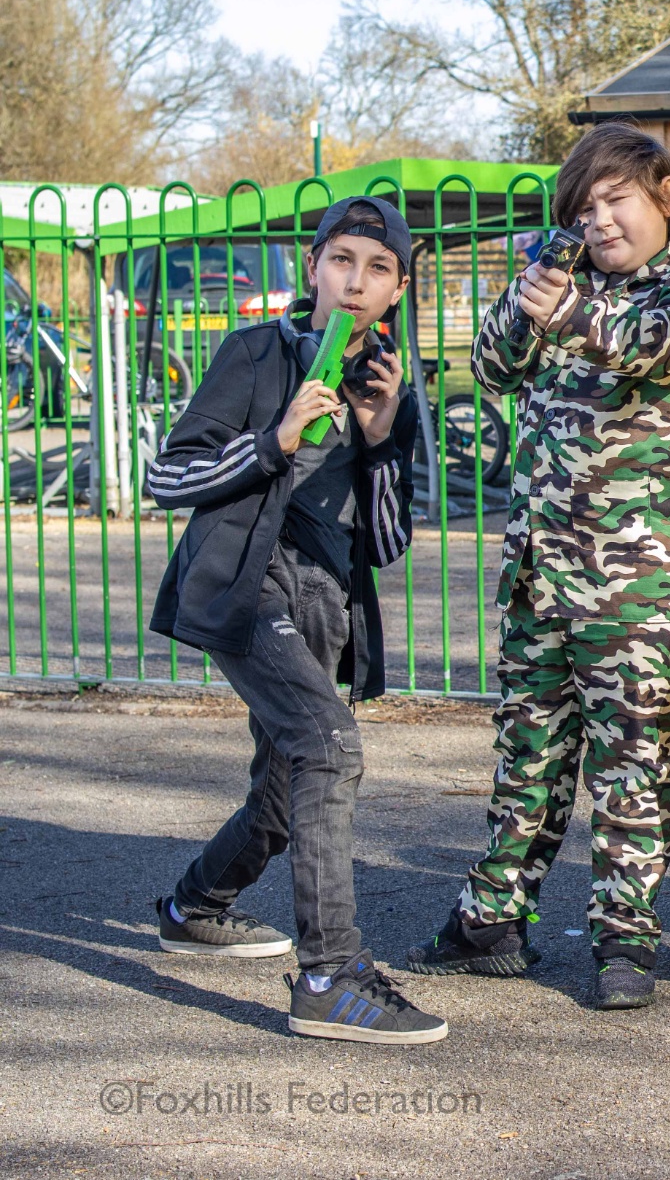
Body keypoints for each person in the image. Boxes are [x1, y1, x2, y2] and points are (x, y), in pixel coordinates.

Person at [406, 123, 670, 1013]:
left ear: (664, 194)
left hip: (637, 582)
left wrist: (568, 311)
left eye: (615, 198)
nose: (599, 221)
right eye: (584, 209)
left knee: (630, 759)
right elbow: (491, 366)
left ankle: (625, 938)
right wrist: (527, 299)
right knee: (529, 752)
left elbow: (657, 346)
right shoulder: (561, 285)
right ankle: (492, 921)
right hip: (540, 569)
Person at [148, 195, 439, 1044]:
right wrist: (273, 441)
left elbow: (384, 542)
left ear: (398, 289)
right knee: (331, 747)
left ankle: (193, 903)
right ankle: (329, 976)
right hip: (244, 587)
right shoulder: (253, 353)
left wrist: (384, 435)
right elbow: (168, 476)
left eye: (377, 268)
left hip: (323, 605)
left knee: (282, 796)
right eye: (341, 260)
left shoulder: (392, 388)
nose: (355, 281)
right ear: (313, 266)